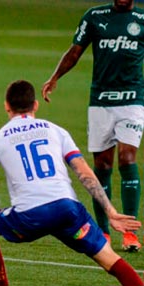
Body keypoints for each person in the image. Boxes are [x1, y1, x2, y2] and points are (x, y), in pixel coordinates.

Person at [0, 80, 143, 286]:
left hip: (30, 217)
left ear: (6, 106)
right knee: (110, 259)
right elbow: (84, 172)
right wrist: (110, 211)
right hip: (67, 210)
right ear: (35, 105)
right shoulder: (56, 131)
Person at [42, 0, 144, 252]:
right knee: (102, 165)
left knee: (127, 158)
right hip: (100, 101)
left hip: (132, 100)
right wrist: (55, 77)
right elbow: (75, 51)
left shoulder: (141, 20)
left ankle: (130, 233)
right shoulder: (94, 16)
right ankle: (104, 232)